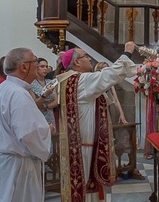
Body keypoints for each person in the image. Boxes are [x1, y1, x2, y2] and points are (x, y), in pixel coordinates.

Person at [56, 42, 137, 202]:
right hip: (84, 148)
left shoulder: (68, 81)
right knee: (86, 191)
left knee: (89, 191)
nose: (90, 59)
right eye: (86, 56)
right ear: (77, 62)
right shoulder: (81, 81)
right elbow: (110, 75)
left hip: (81, 145)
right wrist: (127, 53)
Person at [0, 47, 52, 202]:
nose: (38, 65)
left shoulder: (4, 89)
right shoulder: (18, 94)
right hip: (20, 167)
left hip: (7, 162)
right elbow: (27, 134)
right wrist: (47, 130)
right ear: (24, 66)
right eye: (35, 61)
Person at [31, 57, 58, 126]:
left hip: (50, 113)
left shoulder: (50, 82)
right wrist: (45, 95)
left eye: (46, 66)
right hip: (38, 115)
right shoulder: (31, 83)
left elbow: (56, 101)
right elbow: (35, 104)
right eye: (42, 66)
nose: (45, 69)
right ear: (36, 68)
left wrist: (46, 106)